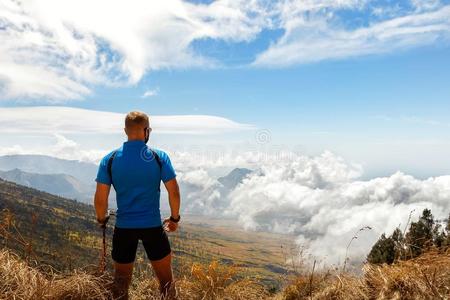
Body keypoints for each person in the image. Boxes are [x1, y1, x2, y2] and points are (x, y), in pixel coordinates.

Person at [94, 111, 181, 299]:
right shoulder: (159, 157)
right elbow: (173, 191)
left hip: (124, 228)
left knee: (121, 284)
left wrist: (102, 219)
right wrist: (174, 218)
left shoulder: (109, 160)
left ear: (125, 130)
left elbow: (101, 199)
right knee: (166, 282)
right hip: (152, 227)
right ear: (147, 131)